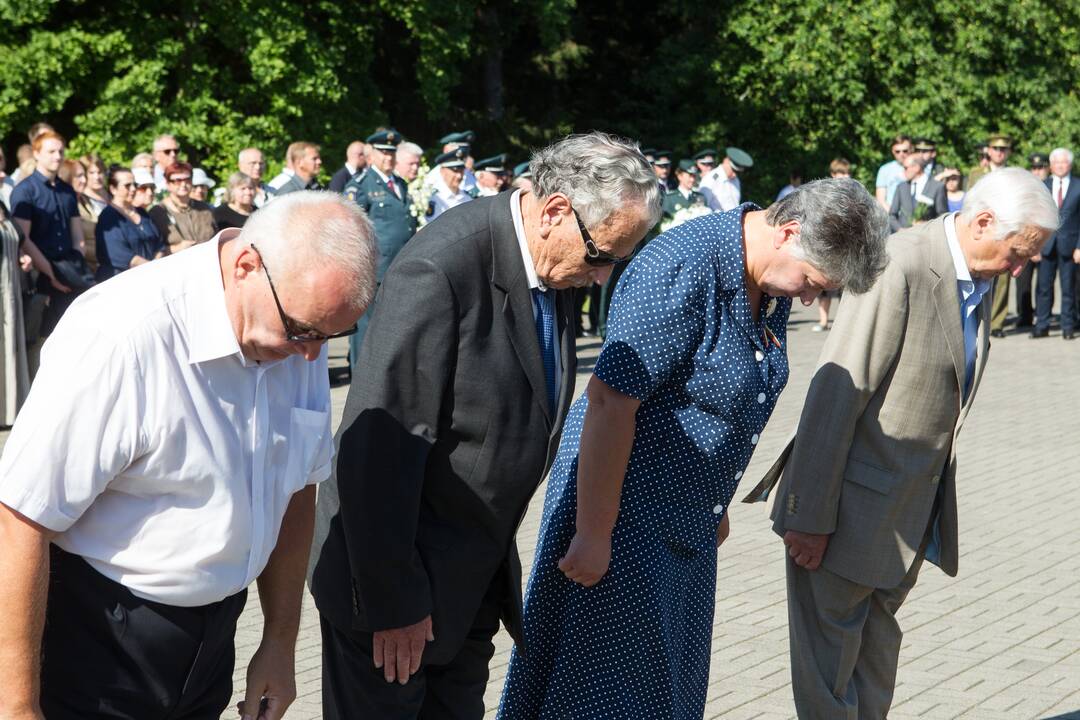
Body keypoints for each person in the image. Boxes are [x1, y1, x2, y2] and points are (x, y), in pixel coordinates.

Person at [499, 178, 890, 720]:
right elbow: (611, 403)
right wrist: (592, 533)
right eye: (813, 282)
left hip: (683, 517)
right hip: (623, 514)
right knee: (603, 692)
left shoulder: (763, 278)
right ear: (789, 233)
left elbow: (708, 400)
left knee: (663, 690)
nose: (808, 298)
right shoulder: (685, 266)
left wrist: (713, 499)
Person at [309, 131, 659, 720]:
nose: (602, 278)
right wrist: (393, 602)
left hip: (469, 583)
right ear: (554, 212)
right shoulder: (440, 268)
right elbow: (377, 450)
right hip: (395, 593)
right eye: (602, 257)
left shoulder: (554, 267)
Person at [0, 191, 378, 720]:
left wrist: (279, 642)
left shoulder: (296, 323)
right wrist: (17, 706)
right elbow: (20, 515)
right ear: (247, 265)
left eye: (330, 336)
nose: (313, 355)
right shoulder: (124, 334)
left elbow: (296, 487)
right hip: (98, 639)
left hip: (213, 637)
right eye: (303, 332)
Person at [745, 168, 1057, 720]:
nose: (1021, 267)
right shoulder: (902, 263)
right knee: (827, 687)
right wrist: (808, 516)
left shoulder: (978, 278)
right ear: (983, 222)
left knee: (874, 672)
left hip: (901, 522)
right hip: (839, 517)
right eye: (1018, 252)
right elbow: (836, 393)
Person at [343, 129, 416, 363]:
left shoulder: (400, 184)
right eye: (383, 152)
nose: (389, 158)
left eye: (392, 153)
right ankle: (360, 384)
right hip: (374, 269)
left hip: (400, 268)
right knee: (365, 332)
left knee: (394, 328)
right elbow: (351, 228)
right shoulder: (361, 186)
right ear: (371, 154)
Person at [7, 131, 90, 337]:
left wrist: (76, 263)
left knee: (80, 332)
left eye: (60, 151)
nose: (58, 156)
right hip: (41, 275)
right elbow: (23, 239)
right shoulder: (25, 191)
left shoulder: (67, 191)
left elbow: (77, 233)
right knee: (45, 338)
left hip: (71, 269)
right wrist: (50, 273)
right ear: (36, 154)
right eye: (51, 151)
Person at [1033, 147, 1080, 340]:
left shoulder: (1078, 186)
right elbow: (1035, 218)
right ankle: (1041, 325)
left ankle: (1067, 326)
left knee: (1068, 288)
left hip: (1070, 245)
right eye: (1056, 162)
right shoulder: (1043, 185)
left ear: (1070, 164)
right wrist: (1034, 246)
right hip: (1046, 245)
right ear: (1051, 165)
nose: (1060, 165)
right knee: (1043, 287)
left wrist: (1079, 246)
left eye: (1064, 162)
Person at [974, 135, 1015, 337]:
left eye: (1003, 149)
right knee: (979, 273)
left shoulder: (1013, 175)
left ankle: (997, 323)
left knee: (1003, 280)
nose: (999, 152)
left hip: (1005, 231)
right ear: (988, 150)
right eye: (996, 148)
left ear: (1008, 152)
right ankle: (977, 318)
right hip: (982, 230)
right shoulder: (975, 174)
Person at [94, 167, 165, 281]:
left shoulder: (142, 213)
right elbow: (121, 255)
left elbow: (159, 244)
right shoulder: (108, 218)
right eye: (127, 186)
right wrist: (154, 269)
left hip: (151, 276)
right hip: (121, 281)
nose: (133, 189)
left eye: (134, 184)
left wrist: (156, 264)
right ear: (113, 189)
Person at [813, 158, 854, 331]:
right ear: (833, 174)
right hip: (829, 243)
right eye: (840, 173)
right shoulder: (825, 192)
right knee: (824, 285)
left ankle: (846, 323)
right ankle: (823, 320)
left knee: (846, 287)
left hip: (847, 244)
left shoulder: (854, 193)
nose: (844, 176)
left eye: (846, 173)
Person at [0, 201, 29, 425]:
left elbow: (17, 241)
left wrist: (22, 257)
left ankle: (8, 411)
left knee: (8, 347)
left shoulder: (3, 207)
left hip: (10, 292)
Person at [148, 161, 218, 253]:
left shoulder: (205, 209)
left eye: (187, 179)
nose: (183, 184)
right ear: (168, 184)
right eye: (177, 181)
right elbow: (151, 251)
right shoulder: (158, 212)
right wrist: (176, 248)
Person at [888, 154, 947, 231]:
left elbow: (943, 217)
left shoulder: (937, 187)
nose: (903, 171)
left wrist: (926, 224)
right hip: (903, 238)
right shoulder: (901, 187)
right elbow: (892, 215)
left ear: (917, 167)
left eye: (905, 168)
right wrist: (900, 230)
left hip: (925, 237)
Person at [424, 147, 472, 221]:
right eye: (455, 171)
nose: (459, 176)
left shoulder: (468, 197)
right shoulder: (433, 197)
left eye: (461, 171)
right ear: (442, 171)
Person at [699, 146, 754, 211]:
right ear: (726, 161)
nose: (734, 174)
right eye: (733, 170)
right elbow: (704, 207)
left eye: (738, 172)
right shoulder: (712, 178)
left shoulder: (736, 180)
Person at [874, 134, 912, 210]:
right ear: (893, 151)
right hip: (891, 215)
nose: (901, 154)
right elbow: (881, 200)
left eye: (905, 151)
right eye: (897, 151)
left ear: (911, 150)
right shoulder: (884, 170)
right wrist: (893, 217)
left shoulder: (919, 168)